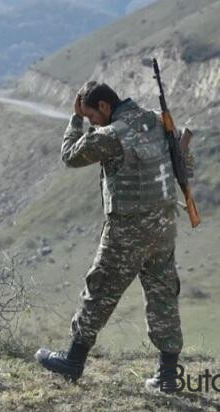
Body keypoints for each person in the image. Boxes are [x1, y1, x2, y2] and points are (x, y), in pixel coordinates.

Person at [35, 81, 183, 393]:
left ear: (104, 107)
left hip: (128, 231)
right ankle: (168, 374)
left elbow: (70, 156)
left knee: (99, 291)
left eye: (92, 117)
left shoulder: (112, 134)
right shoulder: (156, 120)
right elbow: (180, 156)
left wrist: (75, 120)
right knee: (163, 296)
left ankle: (73, 362)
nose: (92, 123)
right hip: (164, 226)